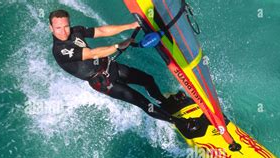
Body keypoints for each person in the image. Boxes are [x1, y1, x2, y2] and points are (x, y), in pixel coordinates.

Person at [49, 9, 196, 128]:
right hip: (103, 82)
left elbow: (101, 31)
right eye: (58, 28)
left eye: (66, 26)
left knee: (147, 80)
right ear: (51, 28)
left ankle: (166, 104)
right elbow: (91, 53)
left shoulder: (76, 32)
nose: (63, 31)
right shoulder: (60, 50)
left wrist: (130, 26)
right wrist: (117, 46)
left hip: (110, 66)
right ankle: (180, 123)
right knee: (142, 102)